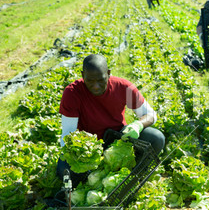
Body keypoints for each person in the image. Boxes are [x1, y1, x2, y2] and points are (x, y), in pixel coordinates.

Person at [57, 54, 165, 187]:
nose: (96, 86)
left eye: (101, 80)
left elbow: (151, 115)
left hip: (119, 141)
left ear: (108, 74)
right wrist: (85, 158)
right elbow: (67, 136)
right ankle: (93, 178)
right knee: (64, 170)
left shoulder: (123, 87)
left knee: (156, 137)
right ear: (82, 75)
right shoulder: (72, 93)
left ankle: (133, 179)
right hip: (88, 148)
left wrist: (138, 124)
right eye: (90, 81)